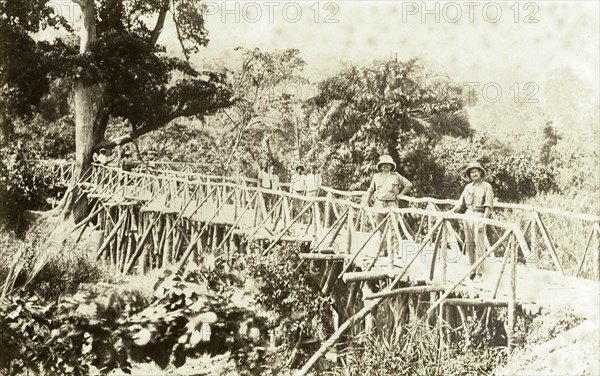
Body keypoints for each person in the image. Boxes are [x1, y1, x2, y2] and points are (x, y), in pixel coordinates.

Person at [451, 161, 494, 283]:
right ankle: (472, 270)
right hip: (468, 215)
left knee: (479, 245)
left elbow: (488, 206)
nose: (473, 174)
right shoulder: (468, 187)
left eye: (475, 171)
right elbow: (460, 204)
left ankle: (479, 273)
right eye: (471, 172)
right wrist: (451, 212)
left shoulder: (487, 186)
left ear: (480, 172)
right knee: (469, 245)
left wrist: (483, 221)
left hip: (479, 216)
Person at [362, 154, 413, 226]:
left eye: (388, 164)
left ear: (391, 166)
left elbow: (409, 185)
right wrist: (366, 203)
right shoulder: (376, 176)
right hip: (378, 204)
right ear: (380, 167)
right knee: (379, 227)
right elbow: (370, 190)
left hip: (392, 204)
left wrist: (401, 194)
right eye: (383, 164)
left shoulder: (396, 176)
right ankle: (382, 237)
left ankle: (390, 237)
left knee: (392, 227)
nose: (386, 166)